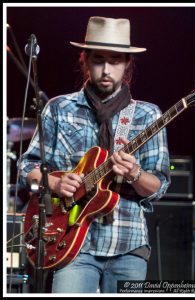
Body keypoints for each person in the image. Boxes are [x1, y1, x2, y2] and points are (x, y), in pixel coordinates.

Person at [18, 16, 170, 293]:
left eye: (115, 60)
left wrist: (135, 173)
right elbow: (27, 167)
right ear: (85, 61)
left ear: (127, 64)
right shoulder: (58, 108)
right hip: (72, 243)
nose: (106, 69)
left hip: (128, 243)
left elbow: (158, 186)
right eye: (98, 59)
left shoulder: (148, 115)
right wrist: (53, 182)